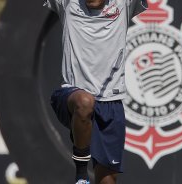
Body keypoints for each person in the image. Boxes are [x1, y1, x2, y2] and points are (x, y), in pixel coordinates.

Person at [44, 0, 147, 183]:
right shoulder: (67, 3)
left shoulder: (124, 4)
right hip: (72, 95)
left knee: (107, 181)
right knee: (85, 102)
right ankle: (81, 176)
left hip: (111, 102)